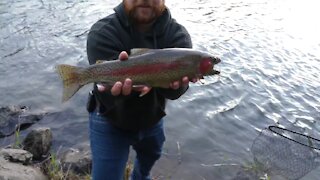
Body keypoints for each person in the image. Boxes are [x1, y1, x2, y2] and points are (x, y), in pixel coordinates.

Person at [86, 0, 197, 179]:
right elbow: (103, 82)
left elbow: (175, 92)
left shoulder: (178, 36)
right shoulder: (102, 32)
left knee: (150, 158)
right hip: (109, 117)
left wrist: (176, 86)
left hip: (152, 118)